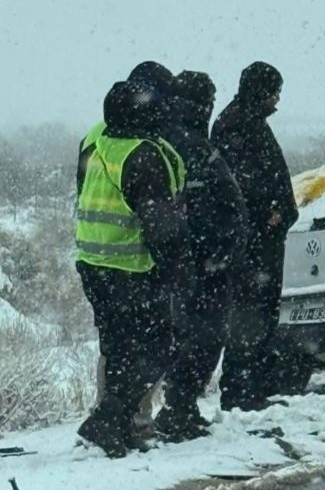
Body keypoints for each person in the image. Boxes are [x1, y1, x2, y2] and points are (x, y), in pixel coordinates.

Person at [75, 80, 190, 458]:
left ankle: (114, 423)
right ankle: (107, 419)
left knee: (120, 348)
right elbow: (161, 226)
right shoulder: (143, 155)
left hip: (93, 263)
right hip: (130, 267)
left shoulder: (97, 141)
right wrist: (175, 271)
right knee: (160, 345)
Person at [154, 71, 249, 440]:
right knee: (205, 335)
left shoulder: (164, 139)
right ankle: (178, 408)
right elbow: (220, 203)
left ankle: (179, 407)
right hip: (204, 260)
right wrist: (222, 249)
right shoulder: (193, 144)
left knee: (184, 335)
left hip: (181, 259)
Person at [211, 61, 299, 411]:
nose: (277, 100)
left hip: (262, 240)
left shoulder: (248, 122)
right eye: (274, 92)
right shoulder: (236, 124)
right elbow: (241, 186)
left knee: (261, 314)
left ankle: (255, 387)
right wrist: (270, 212)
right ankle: (241, 390)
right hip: (253, 243)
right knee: (249, 315)